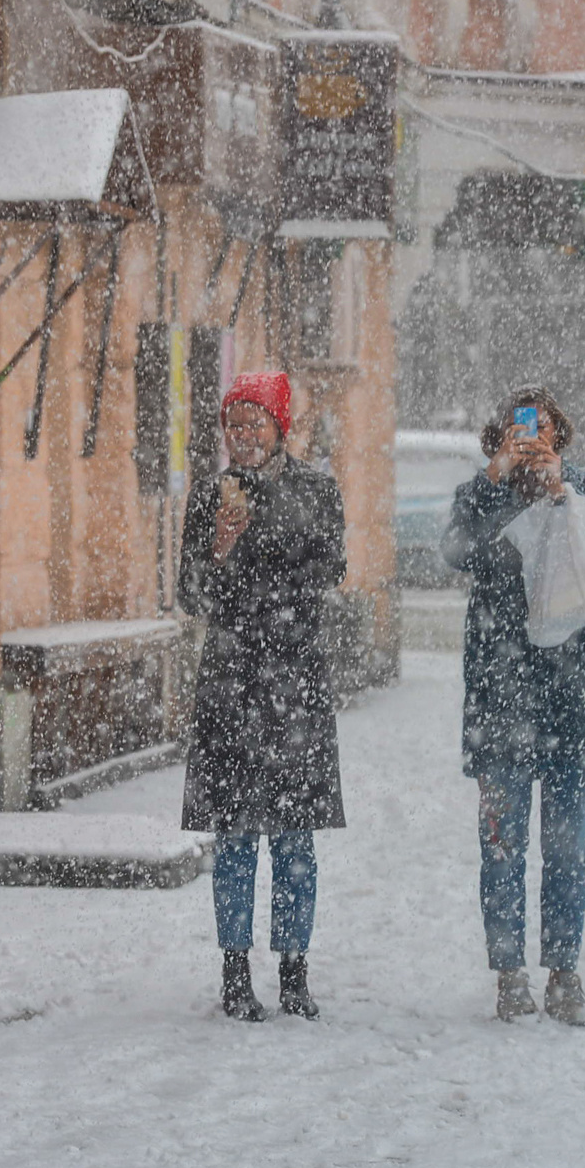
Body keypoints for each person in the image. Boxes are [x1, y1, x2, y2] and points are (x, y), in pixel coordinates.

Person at [442, 385, 585, 1025]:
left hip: (576, 704)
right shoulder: (480, 494)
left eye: (543, 430)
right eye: (522, 430)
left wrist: (560, 497)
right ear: (502, 438)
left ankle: (564, 972)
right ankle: (509, 972)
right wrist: (499, 483)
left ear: (561, 437)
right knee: (502, 845)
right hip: (501, 701)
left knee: (568, 846)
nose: (533, 440)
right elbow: (458, 554)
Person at [179, 372, 347, 1021]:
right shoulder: (207, 495)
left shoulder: (315, 489)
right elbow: (191, 595)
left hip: (295, 682)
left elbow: (327, 569)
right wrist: (220, 546)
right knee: (237, 838)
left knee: (295, 840)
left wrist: (269, 527)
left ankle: (295, 970)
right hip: (229, 681)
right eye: (234, 426)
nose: (243, 438)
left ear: (281, 427)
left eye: (256, 425)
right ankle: (233, 970)